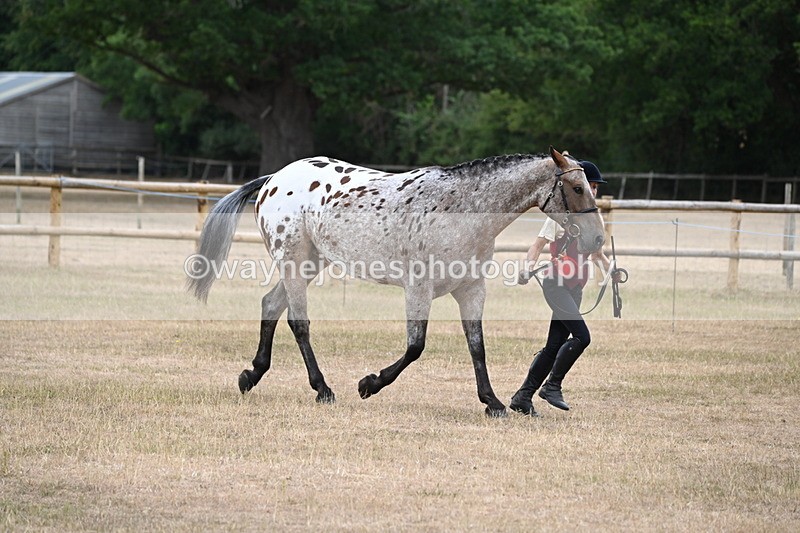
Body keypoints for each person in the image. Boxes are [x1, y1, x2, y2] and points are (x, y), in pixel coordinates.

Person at [510, 159, 618, 416]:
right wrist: (527, 267)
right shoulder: (560, 216)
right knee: (582, 337)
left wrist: (612, 271)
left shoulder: (594, 218)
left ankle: (522, 397)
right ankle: (552, 386)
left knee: (554, 345)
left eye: (595, 187)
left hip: (575, 287)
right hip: (556, 283)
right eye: (591, 185)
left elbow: (597, 255)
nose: (594, 190)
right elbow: (536, 246)